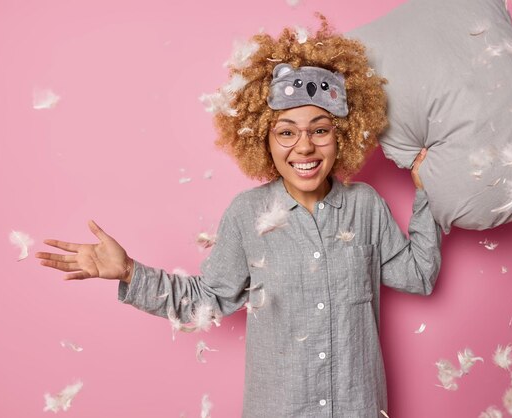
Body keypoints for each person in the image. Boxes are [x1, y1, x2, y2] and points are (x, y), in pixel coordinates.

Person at [36, 17, 442, 418]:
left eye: (320, 130)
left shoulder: (366, 206)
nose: (304, 147)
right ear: (264, 138)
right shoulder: (247, 215)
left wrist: (427, 191)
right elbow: (206, 299)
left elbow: (418, 275)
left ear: (343, 134)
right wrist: (128, 272)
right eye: (286, 132)